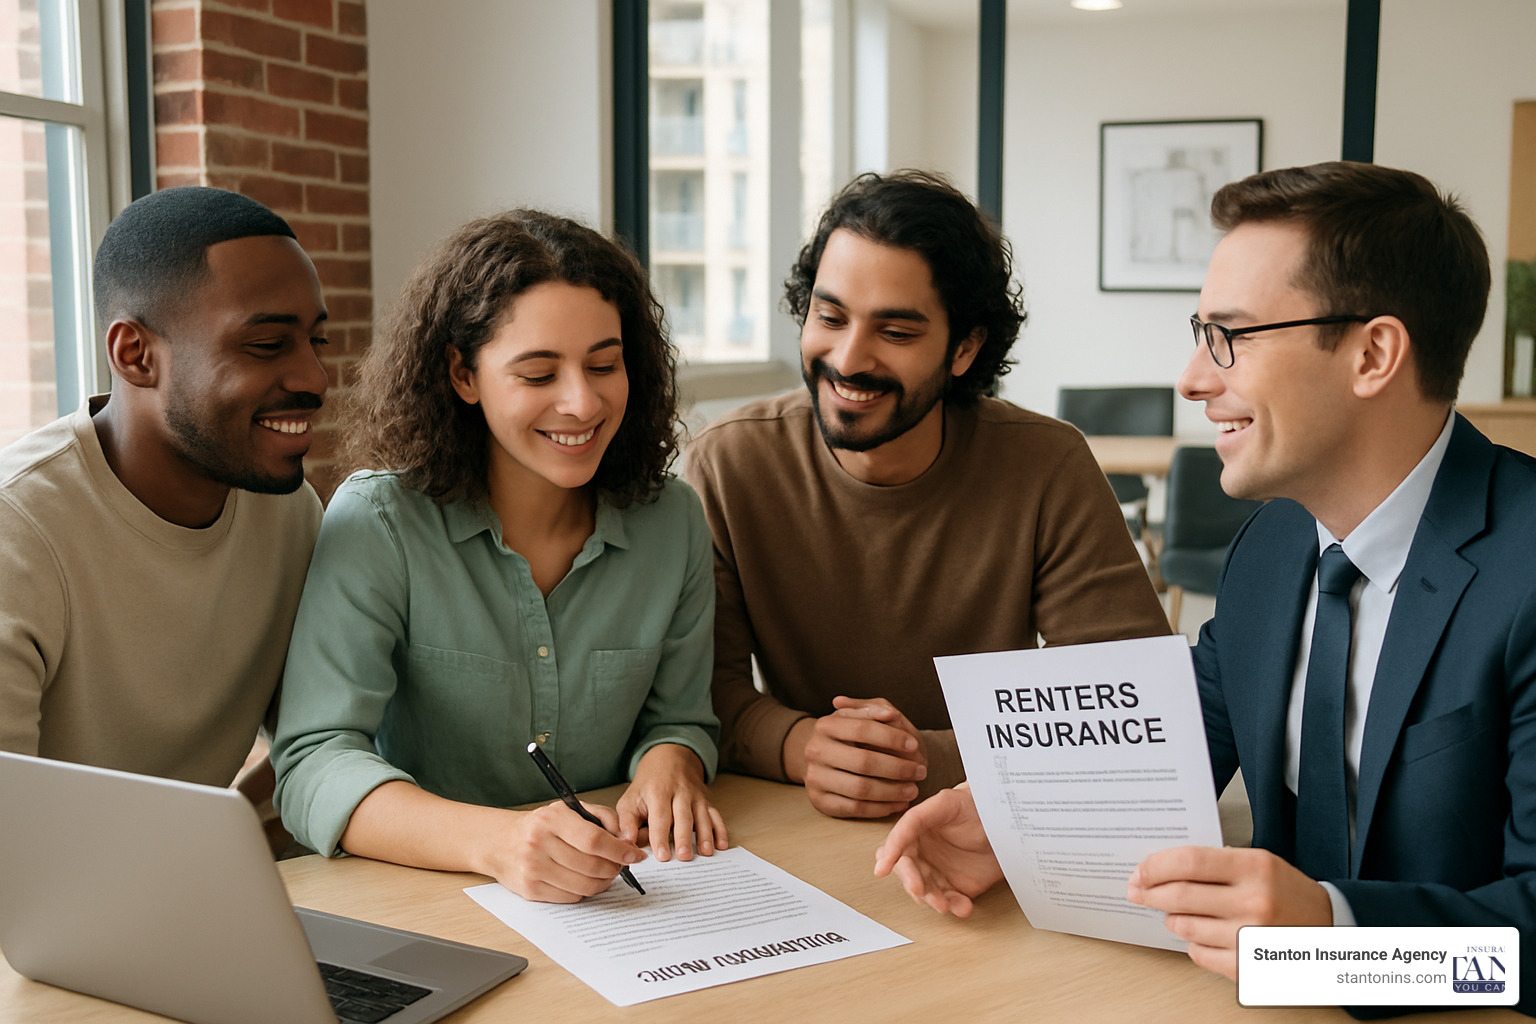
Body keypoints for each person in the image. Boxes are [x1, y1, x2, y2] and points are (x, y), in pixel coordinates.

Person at [875, 161, 1536, 1016]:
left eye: (1232, 335)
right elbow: (1180, 737)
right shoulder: (1273, 543)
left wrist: (1335, 941)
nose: (1192, 378)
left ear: (1373, 354)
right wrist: (1019, 823)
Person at [683, 170, 1170, 820]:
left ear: (965, 348)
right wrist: (800, 746)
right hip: (802, 818)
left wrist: (925, 759)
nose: (849, 359)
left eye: (897, 333)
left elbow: (1129, 702)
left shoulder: (1046, 465)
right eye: (829, 317)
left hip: (998, 820)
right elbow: (700, 692)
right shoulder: (730, 463)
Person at [272, 210, 724, 904]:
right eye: (539, 374)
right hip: (418, 899)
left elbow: (680, 715)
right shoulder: (381, 524)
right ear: (463, 374)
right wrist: (500, 844)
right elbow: (312, 762)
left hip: (620, 905)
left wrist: (671, 761)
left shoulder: (672, 521)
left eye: (604, 364)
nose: (581, 401)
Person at [0, 187, 327, 794]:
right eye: (266, 344)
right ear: (135, 355)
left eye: (317, 340)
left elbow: (321, 748)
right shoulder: (16, 533)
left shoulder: (288, 515)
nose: (315, 377)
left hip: (183, 883)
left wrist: (230, 842)